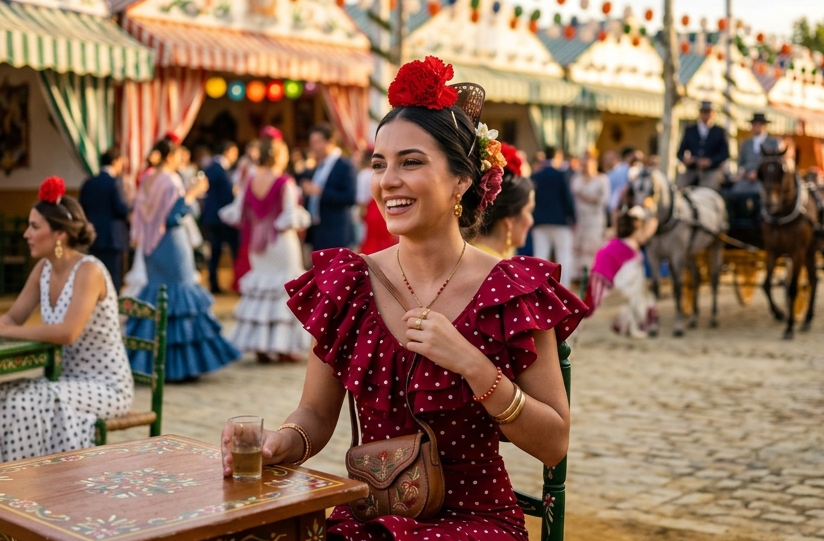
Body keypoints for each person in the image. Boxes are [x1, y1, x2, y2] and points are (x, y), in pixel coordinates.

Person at [220, 56, 587, 541]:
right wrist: (280, 443)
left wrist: (474, 365)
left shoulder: (511, 290)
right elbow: (314, 415)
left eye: (410, 162)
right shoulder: (348, 283)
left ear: (462, 179)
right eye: (379, 164)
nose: (387, 180)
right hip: (368, 516)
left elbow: (554, 443)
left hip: (475, 524)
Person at [0, 177, 133, 461]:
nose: (26, 234)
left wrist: (8, 330)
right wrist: (4, 325)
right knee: (4, 396)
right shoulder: (43, 270)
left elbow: (67, 333)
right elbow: (12, 317)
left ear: (59, 234)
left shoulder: (89, 271)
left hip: (106, 387)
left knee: (25, 401)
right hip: (66, 382)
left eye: (35, 226)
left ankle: (25, 483)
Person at [127, 137, 240, 382]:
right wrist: (192, 194)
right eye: (178, 156)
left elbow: (141, 214)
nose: (181, 161)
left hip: (150, 246)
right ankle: (179, 365)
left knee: (158, 296)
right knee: (180, 297)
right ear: (170, 157)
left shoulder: (147, 179)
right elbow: (174, 216)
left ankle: (149, 361)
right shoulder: (171, 180)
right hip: (171, 243)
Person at [229, 130, 311, 364]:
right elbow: (288, 216)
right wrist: (302, 217)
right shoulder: (284, 182)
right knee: (284, 291)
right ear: (278, 156)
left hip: (258, 245)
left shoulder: (250, 181)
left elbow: (237, 213)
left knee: (262, 291)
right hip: (281, 243)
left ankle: (262, 347)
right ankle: (283, 347)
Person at [585, 205, 659, 338]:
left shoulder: (618, 244)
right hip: (609, 288)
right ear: (636, 227)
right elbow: (628, 284)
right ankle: (628, 322)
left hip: (600, 284)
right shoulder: (630, 249)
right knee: (641, 296)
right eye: (642, 229)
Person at [78, 147, 131, 292]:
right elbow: (122, 209)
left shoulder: (88, 183)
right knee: (113, 281)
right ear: (115, 161)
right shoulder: (115, 182)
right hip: (113, 238)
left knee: (95, 277)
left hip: (93, 236)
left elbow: (82, 208)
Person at [470, 142, 535, 258]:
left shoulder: (468, 258)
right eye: (529, 211)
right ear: (509, 220)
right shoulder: (499, 270)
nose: (531, 221)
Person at [300, 122, 358, 250]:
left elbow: (350, 197)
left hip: (336, 232)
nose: (313, 146)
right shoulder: (318, 166)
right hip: (318, 231)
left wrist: (320, 192)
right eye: (311, 142)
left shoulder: (345, 165)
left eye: (317, 142)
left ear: (330, 142)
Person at [530, 145, 576, 289]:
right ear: (557, 157)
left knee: (540, 258)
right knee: (564, 258)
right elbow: (567, 199)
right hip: (560, 221)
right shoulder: (561, 175)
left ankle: (537, 289)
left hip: (539, 221)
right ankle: (564, 290)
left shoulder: (535, 176)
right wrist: (572, 217)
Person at [202, 140, 240, 293]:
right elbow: (225, 194)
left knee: (217, 251)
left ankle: (216, 282)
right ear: (228, 151)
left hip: (215, 216)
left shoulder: (213, 166)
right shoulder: (218, 168)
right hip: (220, 217)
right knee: (225, 249)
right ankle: (219, 282)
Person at [570, 151, 610, 282]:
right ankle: (577, 277)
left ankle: (592, 275)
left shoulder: (602, 179)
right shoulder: (575, 179)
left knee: (593, 247)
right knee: (577, 247)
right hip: (579, 219)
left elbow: (604, 200)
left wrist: (586, 198)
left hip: (595, 220)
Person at [676, 101, 730, 191]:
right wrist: (686, 160)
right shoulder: (690, 130)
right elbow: (680, 153)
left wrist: (710, 161)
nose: (706, 115)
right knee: (679, 189)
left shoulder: (719, 131)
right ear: (700, 113)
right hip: (692, 169)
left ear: (713, 114)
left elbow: (725, 154)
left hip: (711, 170)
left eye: (708, 112)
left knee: (707, 191)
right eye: (704, 112)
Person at [734, 112, 779, 194]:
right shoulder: (746, 143)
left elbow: (775, 164)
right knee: (736, 192)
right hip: (746, 179)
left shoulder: (773, 143)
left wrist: (757, 173)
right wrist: (747, 173)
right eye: (755, 124)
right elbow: (740, 162)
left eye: (760, 124)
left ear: (764, 126)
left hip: (764, 180)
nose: (757, 127)